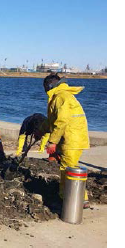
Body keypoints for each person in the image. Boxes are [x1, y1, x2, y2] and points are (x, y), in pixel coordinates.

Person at [40, 73, 90, 207]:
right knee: (71, 167)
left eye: (45, 87)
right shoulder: (61, 95)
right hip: (73, 137)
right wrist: (41, 129)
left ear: (50, 86)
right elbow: (52, 120)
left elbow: (61, 121)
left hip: (72, 139)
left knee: (67, 169)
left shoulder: (61, 97)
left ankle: (68, 199)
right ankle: (80, 198)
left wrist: (53, 142)